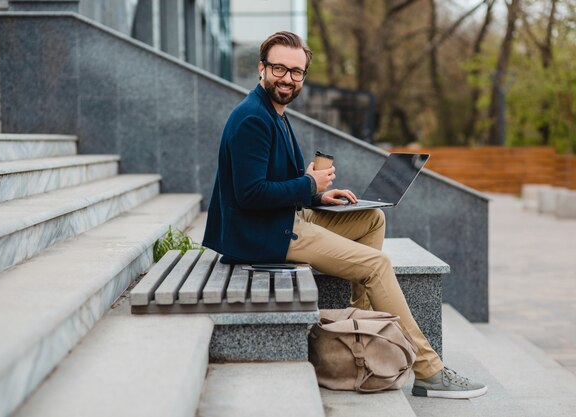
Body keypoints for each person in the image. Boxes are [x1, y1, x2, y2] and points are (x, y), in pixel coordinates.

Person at [203, 31, 487, 399]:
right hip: (262, 234)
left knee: (371, 219)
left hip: (281, 220)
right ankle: (429, 370)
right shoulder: (252, 119)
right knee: (376, 266)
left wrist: (319, 192)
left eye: (296, 71)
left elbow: (270, 182)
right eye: (279, 68)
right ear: (262, 68)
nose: (287, 78)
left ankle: (361, 326)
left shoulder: (274, 113)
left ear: (303, 76)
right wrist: (308, 183)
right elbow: (250, 194)